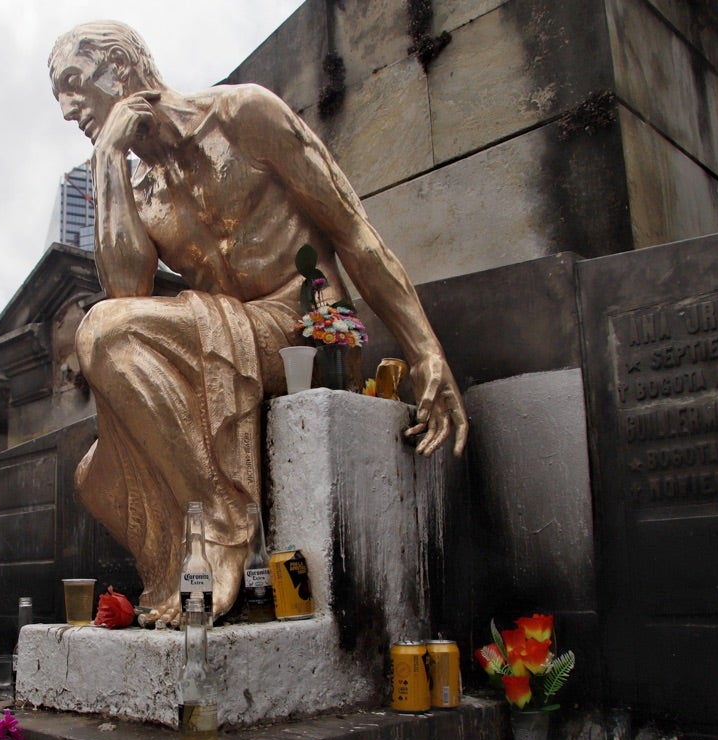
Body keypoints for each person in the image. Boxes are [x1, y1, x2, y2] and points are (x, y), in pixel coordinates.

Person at [49, 21, 468, 626]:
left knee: (105, 330)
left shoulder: (242, 114)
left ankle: (222, 531)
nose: (67, 108)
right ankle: (185, 558)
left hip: (310, 327)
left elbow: (353, 230)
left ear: (119, 67)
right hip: (229, 331)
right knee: (96, 479)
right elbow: (124, 293)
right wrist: (109, 159)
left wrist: (426, 353)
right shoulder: (137, 186)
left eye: (73, 84)